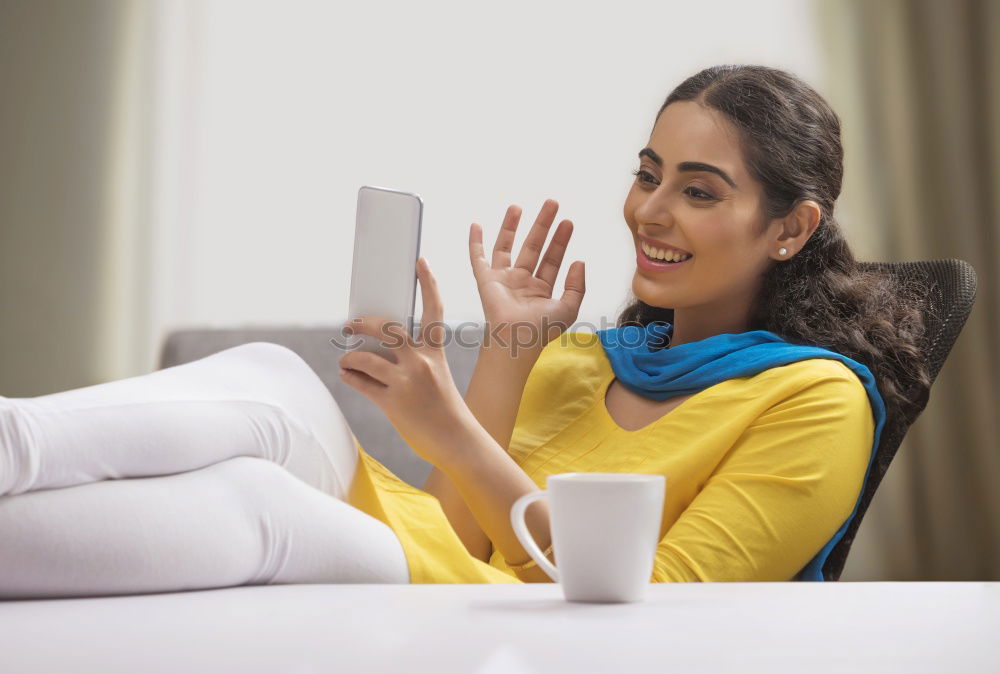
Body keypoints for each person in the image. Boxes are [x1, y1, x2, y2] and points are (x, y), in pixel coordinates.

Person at [0, 65, 930, 598]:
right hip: (440, 572)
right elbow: (456, 530)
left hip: (523, 623)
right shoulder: (582, 355)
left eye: (699, 190)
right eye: (648, 174)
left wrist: (445, 427)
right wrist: (510, 357)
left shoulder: (815, 399)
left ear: (792, 228)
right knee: (272, 381)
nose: (650, 211)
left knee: (259, 497)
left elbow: (659, 607)